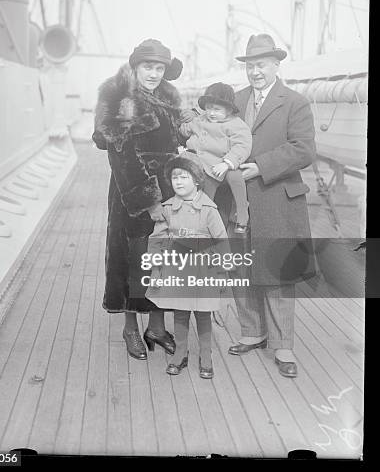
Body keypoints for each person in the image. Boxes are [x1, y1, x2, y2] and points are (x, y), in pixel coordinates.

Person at [93, 38, 191, 361]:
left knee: (161, 261)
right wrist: (150, 202)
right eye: (148, 66)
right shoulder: (122, 97)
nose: (154, 73)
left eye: (160, 67)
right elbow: (122, 156)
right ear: (136, 66)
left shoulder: (167, 97)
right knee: (134, 260)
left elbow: (177, 141)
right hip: (132, 193)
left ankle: (157, 328)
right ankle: (131, 327)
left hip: (169, 190)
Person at [228, 34, 316, 378]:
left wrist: (260, 165)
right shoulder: (234, 101)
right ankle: (253, 332)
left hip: (277, 198)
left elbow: (304, 149)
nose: (255, 72)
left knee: (278, 271)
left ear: (276, 65)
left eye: (261, 65)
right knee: (239, 265)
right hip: (239, 200)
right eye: (250, 66)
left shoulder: (295, 102)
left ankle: (283, 345)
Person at [145, 151, 229, 379]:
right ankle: (180, 353)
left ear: (197, 180)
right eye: (175, 178)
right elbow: (157, 239)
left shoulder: (209, 210)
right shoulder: (168, 208)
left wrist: (223, 273)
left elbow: (222, 241)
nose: (178, 182)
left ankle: (205, 355)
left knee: (203, 314)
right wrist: (156, 267)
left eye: (184, 177)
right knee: (180, 313)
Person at [180, 82, 252, 234]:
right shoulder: (201, 120)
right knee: (206, 196)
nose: (211, 113)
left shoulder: (235, 124)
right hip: (207, 168)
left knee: (236, 176)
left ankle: (242, 212)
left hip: (224, 164)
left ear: (229, 110)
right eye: (208, 108)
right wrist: (184, 129)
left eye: (217, 109)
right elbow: (188, 128)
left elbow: (242, 145)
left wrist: (227, 163)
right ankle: (203, 225)